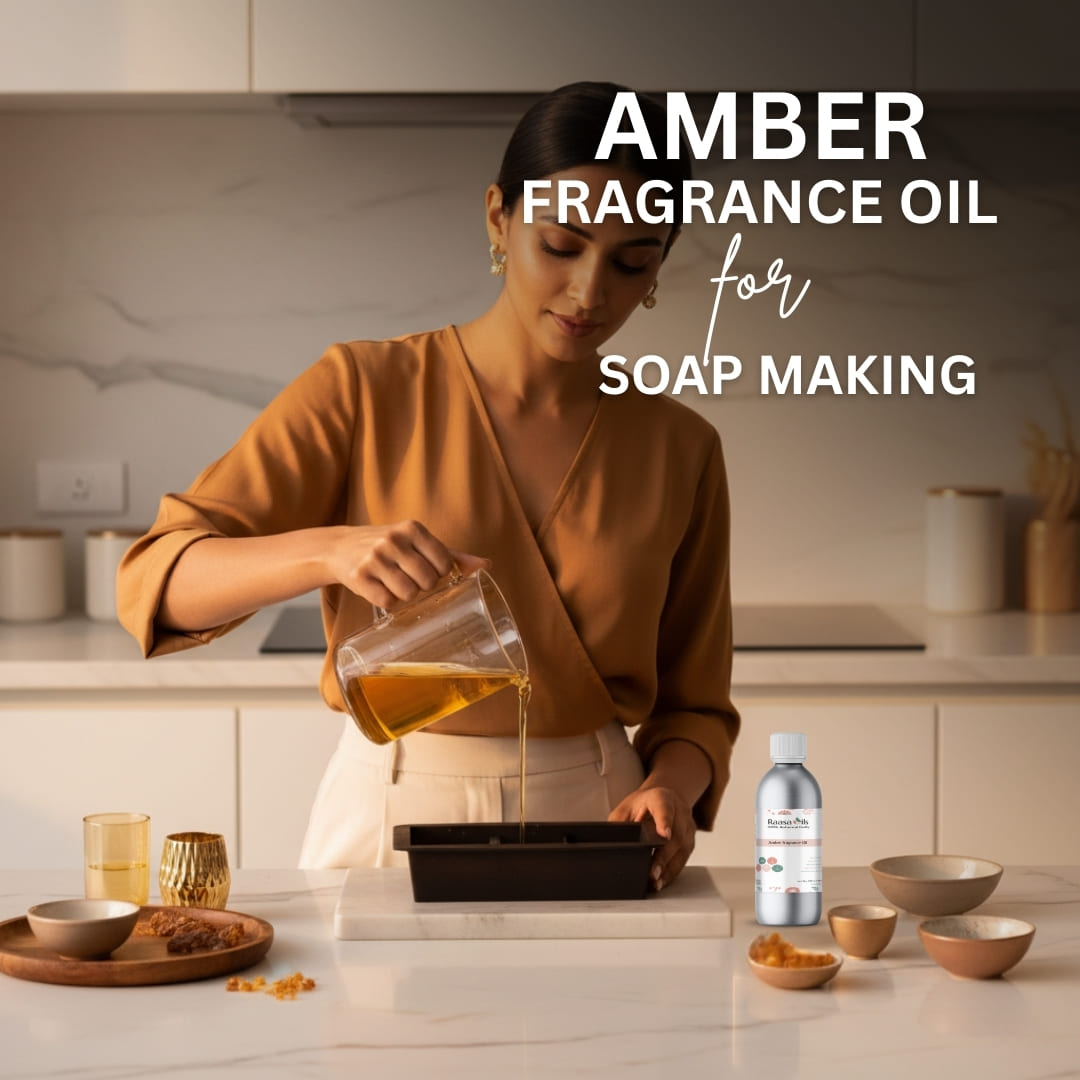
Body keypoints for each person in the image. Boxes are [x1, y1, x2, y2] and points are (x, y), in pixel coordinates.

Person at [117, 82, 740, 891]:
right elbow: (156, 583)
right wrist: (331, 551)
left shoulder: (680, 447)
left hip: (600, 820)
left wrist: (670, 789)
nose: (591, 293)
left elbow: (697, 709)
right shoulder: (363, 389)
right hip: (392, 808)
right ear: (498, 219)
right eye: (561, 244)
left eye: (631, 261)